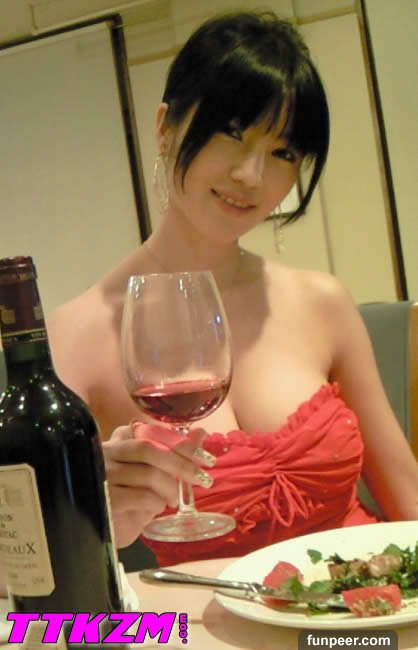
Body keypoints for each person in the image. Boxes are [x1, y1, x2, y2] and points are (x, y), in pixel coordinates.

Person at [47, 10, 418, 566]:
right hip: (207, 613)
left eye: (283, 153)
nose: (251, 175)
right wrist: (101, 523)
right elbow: (27, 567)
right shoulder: (75, 335)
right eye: (232, 133)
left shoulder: (321, 302)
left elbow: (407, 496)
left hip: (360, 603)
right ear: (165, 127)